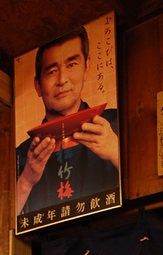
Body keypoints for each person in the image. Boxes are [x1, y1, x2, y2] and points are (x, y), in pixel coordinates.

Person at [16, 26, 119, 216]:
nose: (62, 79)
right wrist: (26, 181)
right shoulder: (22, 155)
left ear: (86, 67)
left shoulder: (116, 125)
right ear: (38, 85)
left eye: (71, 65)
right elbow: (4, 222)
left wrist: (116, 152)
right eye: (52, 71)